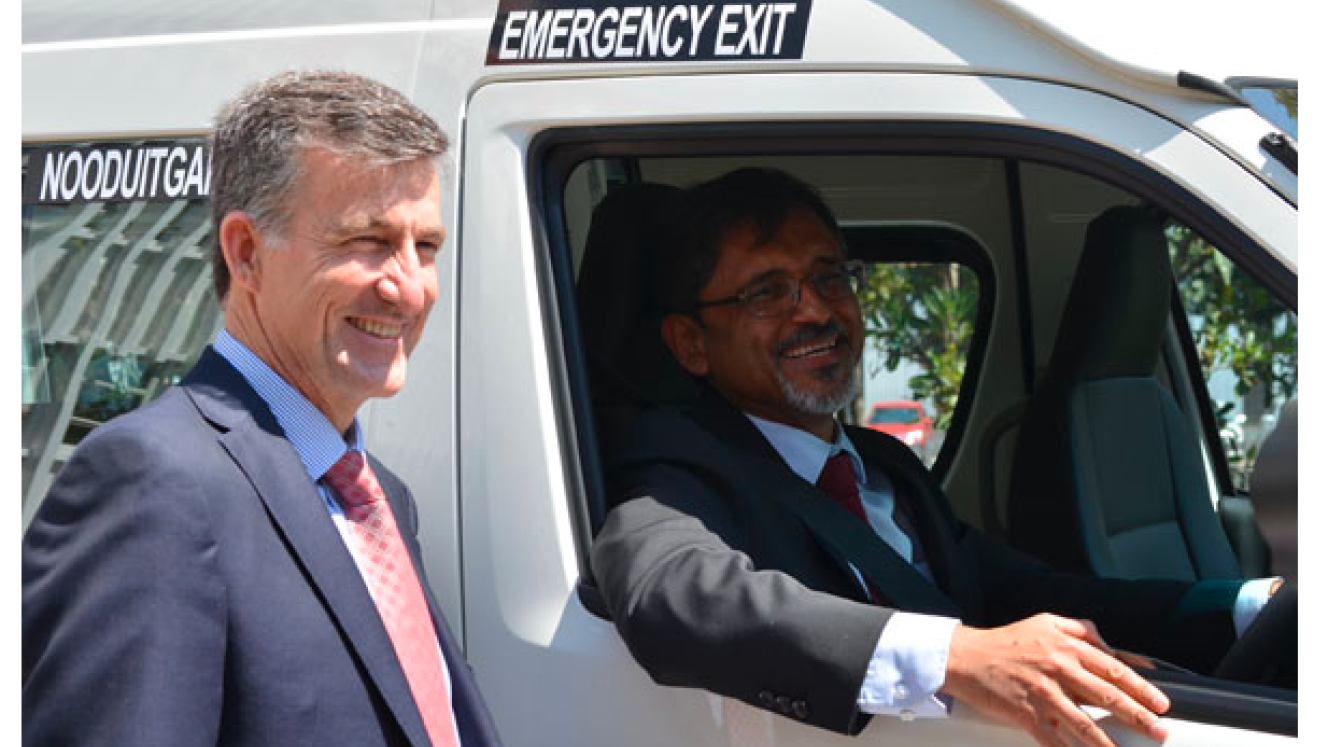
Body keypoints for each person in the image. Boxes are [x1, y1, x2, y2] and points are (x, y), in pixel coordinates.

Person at [590, 167, 1281, 747]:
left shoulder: (885, 466)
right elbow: (670, 593)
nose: (815, 311)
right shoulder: (674, 467)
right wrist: (956, 655)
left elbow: (1040, 596)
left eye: (830, 276)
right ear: (690, 344)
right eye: (767, 292)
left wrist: (1250, 605)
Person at [23, 71, 503, 747]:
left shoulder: (377, 496)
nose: (408, 289)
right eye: (367, 240)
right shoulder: (154, 484)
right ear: (246, 252)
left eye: (424, 247)